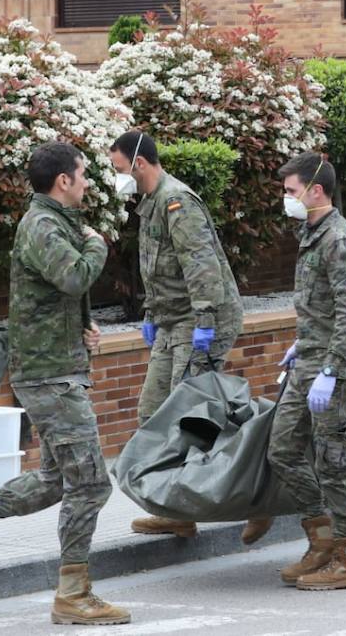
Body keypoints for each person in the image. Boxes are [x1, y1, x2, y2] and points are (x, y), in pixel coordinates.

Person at [0, 141, 129, 626]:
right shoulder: (42, 225)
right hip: (49, 374)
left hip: (57, 365)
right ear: (63, 180)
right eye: (82, 175)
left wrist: (80, 328)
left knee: (59, 480)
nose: (87, 183)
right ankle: (73, 594)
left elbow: (54, 293)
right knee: (92, 483)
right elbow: (75, 275)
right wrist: (99, 242)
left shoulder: (55, 223)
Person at [107, 130, 269, 544]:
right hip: (172, 321)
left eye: (119, 168)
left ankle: (262, 494)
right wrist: (150, 313)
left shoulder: (178, 202)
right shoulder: (150, 204)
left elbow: (201, 269)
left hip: (201, 322)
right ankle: (175, 511)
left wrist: (206, 323)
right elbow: (159, 268)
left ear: (139, 164)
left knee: (196, 421)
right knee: (153, 413)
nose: (117, 177)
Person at [267, 151, 346, 590]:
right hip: (309, 361)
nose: (286, 198)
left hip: (335, 369)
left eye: (291, 191)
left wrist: (330, 368)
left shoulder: (341, 241)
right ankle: (321, 541)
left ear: (316, 190)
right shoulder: (311, 233)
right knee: (283, 450)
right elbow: (322, 305)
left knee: (333, 463)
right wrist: (302, 343)